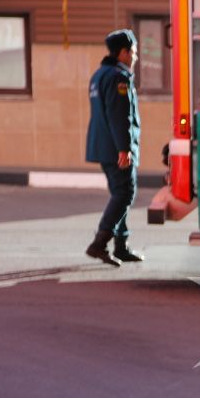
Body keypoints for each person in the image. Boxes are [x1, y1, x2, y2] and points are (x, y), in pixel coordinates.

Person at [84, 29, 142, 266]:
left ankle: (121, 245)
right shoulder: (119, 77)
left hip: (102, 146)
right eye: (134, 52)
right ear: (123, 53)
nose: (135, 57)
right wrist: (124, 149)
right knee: (125, 193)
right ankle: (100, 243)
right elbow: (120, 117)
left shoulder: (99, 75)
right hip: (115, 148)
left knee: (120, 194)